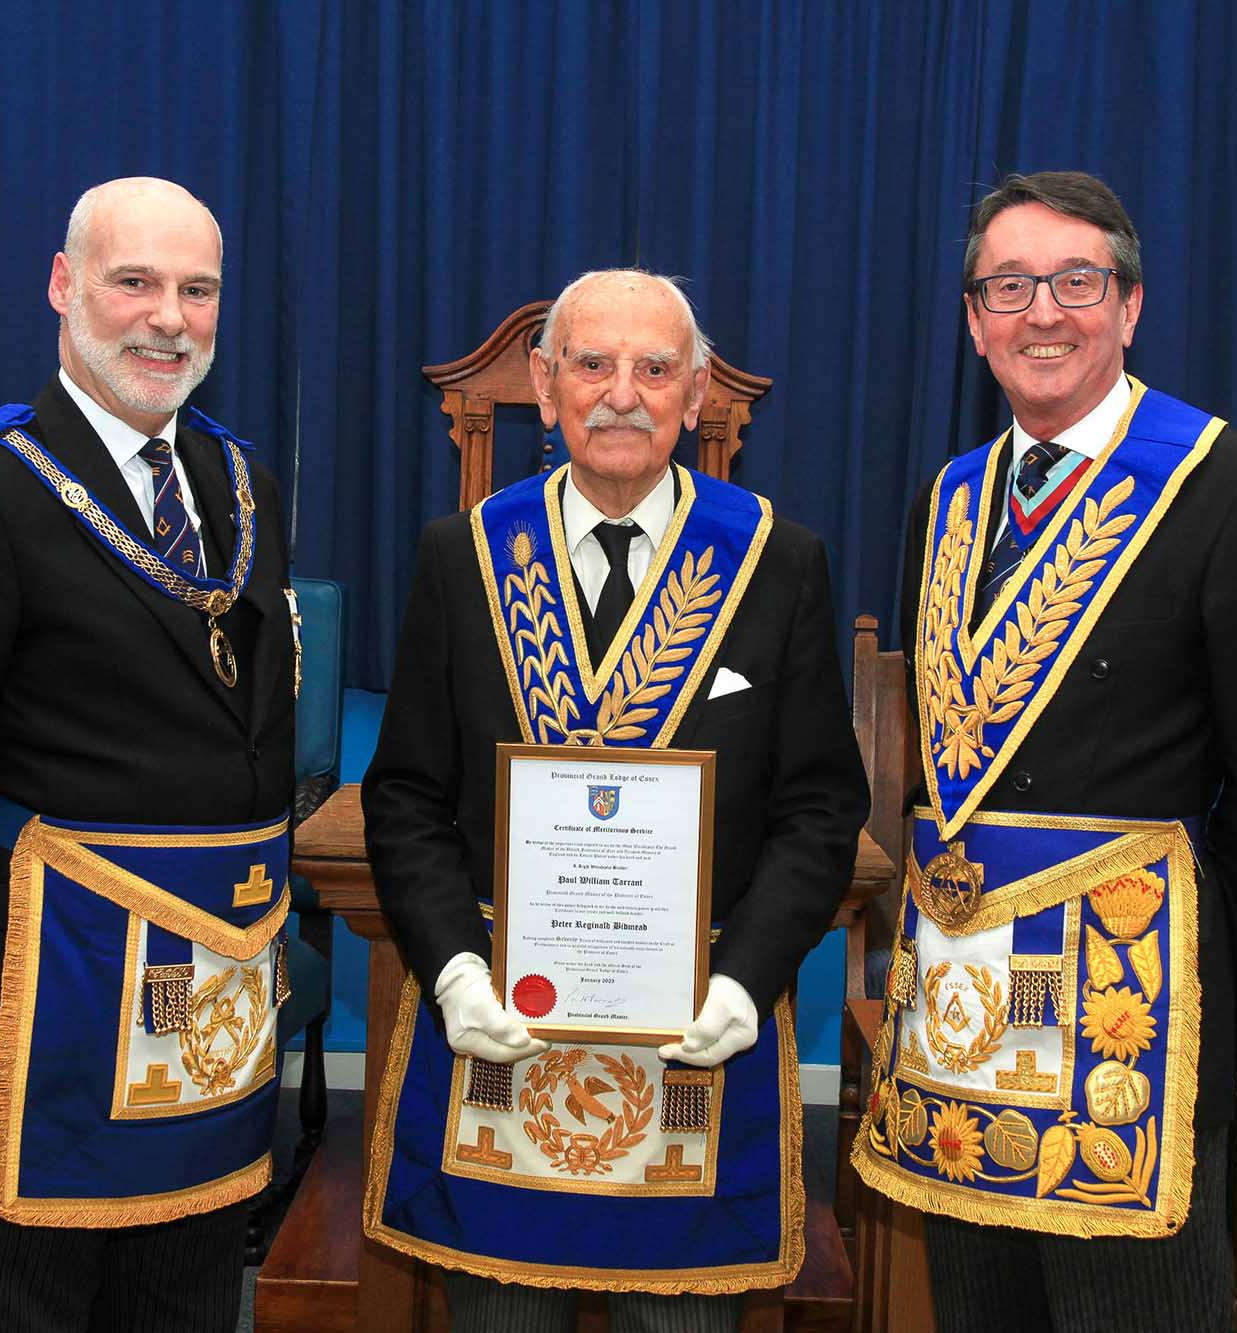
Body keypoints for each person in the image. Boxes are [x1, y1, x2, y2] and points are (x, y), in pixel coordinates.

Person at [850, 171, 1237, 1331]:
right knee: (982, 1309)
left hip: (1128, 1016)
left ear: (1127, 307)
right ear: (973, 322)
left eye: (1075, 281)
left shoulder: (1232, 489)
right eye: (1007, 287)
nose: (1041, 313)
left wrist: (1190, 950)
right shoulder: (948, 498)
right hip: (970, 1009)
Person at [360, 269, 869, 1332]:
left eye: (653, 368)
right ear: (545, 387)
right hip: (501, 1033)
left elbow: (821, 806)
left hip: (696, 1045)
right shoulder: (462, 556)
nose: (621, 394)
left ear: (694, 395)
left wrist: (747, 981)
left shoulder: (777, 562)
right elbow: (406, 793)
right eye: (592, 365)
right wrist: (453, 973)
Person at [0, 177, 301, 1332]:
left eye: (197, 291)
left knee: (190, 1293)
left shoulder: (239, 485)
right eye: (134, 282)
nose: (168, 318)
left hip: (210, 990)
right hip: (47, 1000)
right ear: (64, 287)